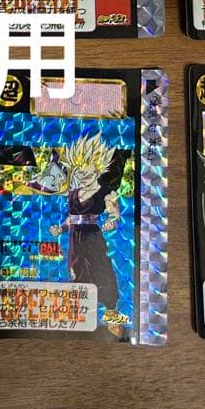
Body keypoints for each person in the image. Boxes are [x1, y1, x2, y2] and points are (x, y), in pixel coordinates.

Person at [48, 134, 124, 333]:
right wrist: (60, 228)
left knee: (102, 269)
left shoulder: (105, 191)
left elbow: (114, 214)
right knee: (77, 271)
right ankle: (83, 313)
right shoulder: (73, 193)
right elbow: (71, 218)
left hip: (93, 237)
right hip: (75, 238)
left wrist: (111, 222)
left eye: (85, 168)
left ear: (97, 168)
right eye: (78, 169)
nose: (81, 173)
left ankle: (111, 313)